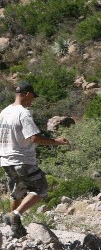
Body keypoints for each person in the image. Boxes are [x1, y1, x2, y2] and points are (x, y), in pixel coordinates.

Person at [0, 81, 70, 238]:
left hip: (5, 160)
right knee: (41, 189)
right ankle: (15, 215)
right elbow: (34, 138)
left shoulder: (4, 112)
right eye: (32, 97)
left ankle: (15, 228)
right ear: (26, 94)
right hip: (22, 159)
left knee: (17, 192)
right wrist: (56, 141)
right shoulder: (23, 113)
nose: (33, 100)